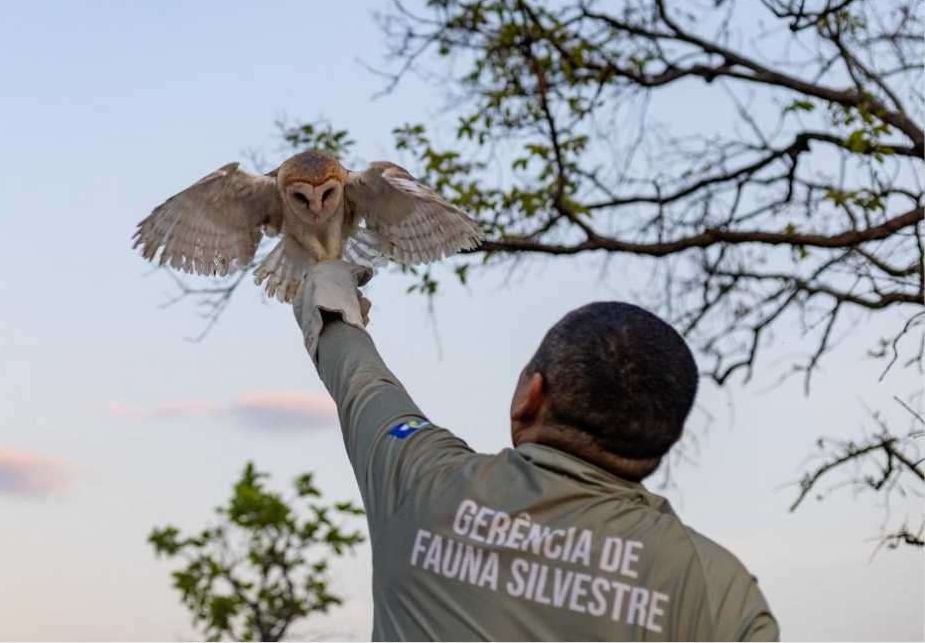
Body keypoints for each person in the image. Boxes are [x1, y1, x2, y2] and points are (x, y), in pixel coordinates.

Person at [292, 261, 779, 642]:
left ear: (532, 394)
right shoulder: (723, 593)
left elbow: (361, 380)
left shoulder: (420, 479)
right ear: (666, 440)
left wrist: (329, 285)